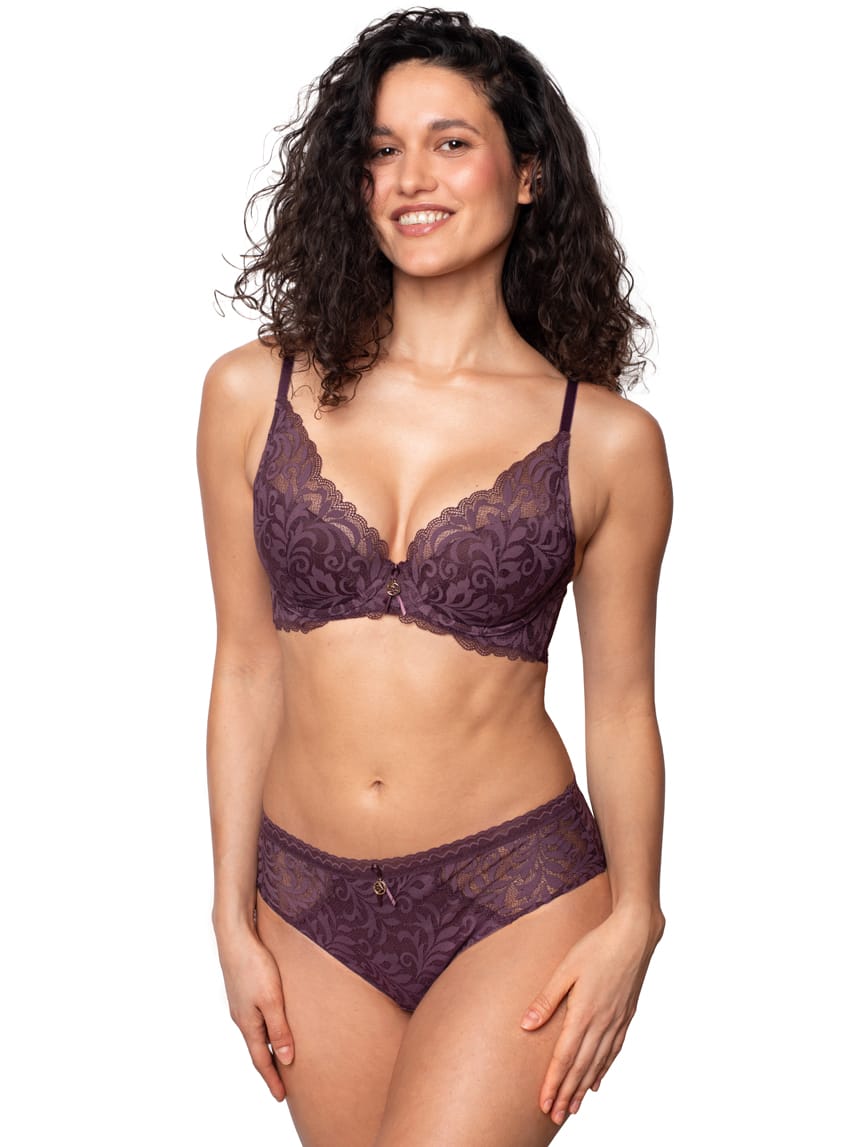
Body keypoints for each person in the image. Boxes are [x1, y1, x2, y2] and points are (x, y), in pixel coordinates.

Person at [196, 8, 672, 1145]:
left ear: (528, 174)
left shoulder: (607, 441)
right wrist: (228, 912)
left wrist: (636, 919)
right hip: (303, 898)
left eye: (451, 142)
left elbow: (620, 705)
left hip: (516, 889)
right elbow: (246, 664)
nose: (411, 176)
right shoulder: (249, 393)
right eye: (381, 148)